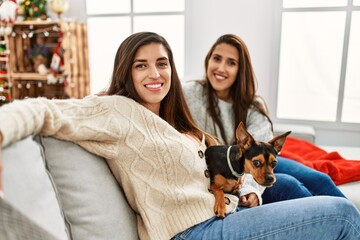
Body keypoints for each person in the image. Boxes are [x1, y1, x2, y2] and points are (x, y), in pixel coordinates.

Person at [0, 32, 359, 240]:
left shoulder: (179, 122)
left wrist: (247, 193)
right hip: (191, 232)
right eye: (141, 64)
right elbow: (44, 110)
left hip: (223, 215)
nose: (155, 73)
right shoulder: (114, 109)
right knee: (343, 215)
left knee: (300, 186)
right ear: (126, 71)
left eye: (162, 63)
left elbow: (228, 172)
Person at [182, 33, 346, 206]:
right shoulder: (189, 94)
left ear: (241, 69)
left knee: (320, 179)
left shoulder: (252, 104)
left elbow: (260, 145)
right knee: (290, 186)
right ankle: (330, 224)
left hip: (255, 164)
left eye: (231, 63)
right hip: (226, 171)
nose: (221, 68)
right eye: (217, 58)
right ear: (208, 60)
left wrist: (250, 188)